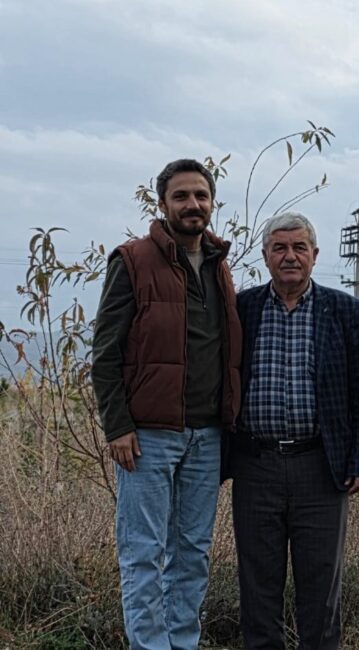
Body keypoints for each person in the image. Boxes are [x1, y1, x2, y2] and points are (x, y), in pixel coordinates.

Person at [92, 158, 242, 649]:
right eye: (181, 196)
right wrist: (117, 426)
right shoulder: (132, 260)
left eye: (200, 196)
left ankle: (182, 643)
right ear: (163, 205)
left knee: (193, 554)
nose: (192, 204)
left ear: (212, 203)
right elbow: (105, 352)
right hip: (147, 438)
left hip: (207, 438)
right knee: (143, 554)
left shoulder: (219, 267)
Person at [230, 211, 359, 650]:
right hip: (256, 467)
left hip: (321, 467)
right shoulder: (243, 308)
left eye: (299, 248)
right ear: (265, 256)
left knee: (320, 593)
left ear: (315, 255)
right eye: (280, 247)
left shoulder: (346, 311)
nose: (289, 256)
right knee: (258, 588)